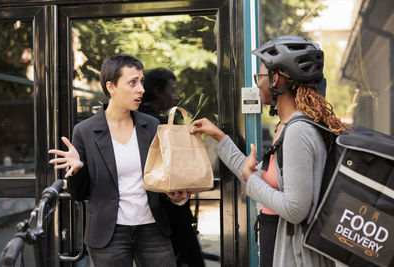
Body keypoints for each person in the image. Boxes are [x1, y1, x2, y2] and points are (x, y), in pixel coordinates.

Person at [191, 35, 348, 267]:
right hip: (277, 239)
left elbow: (295, 210)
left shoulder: (298, 131)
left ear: (277, 79)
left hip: (292, 252)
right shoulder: (287, 127)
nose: (258, 83)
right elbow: (257, 178)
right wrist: (218, 137)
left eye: (260, 76)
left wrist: (250, 182)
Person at [48, 54, 187, 267]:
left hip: (152, 229)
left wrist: (176, 195)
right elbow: (78, 194)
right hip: (108, 233)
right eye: (133, 82)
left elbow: (164, 176)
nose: (141, 88)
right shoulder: (84, 131)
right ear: (111, 86)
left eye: (141, 81)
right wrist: (78, 170)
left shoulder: (152, 126)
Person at [139, 68, 206, 267]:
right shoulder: (160, 127)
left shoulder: (132, 123)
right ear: (158, 91)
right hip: (169, 215)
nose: (176, 97)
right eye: (172, 90)